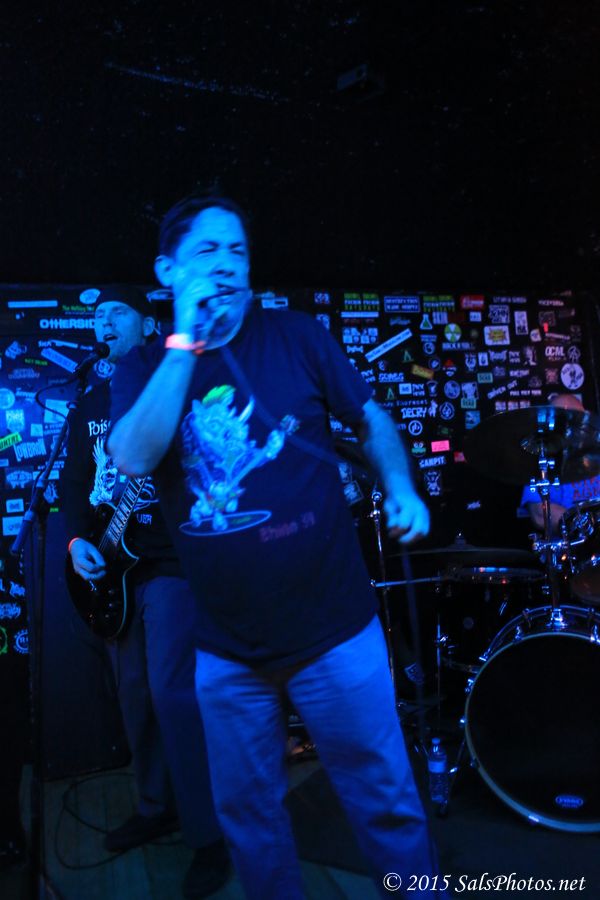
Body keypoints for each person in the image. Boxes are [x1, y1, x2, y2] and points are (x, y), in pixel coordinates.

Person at [107, 194, 443, 900]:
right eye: (207, 251)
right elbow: (134, 456)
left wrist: (400, 485)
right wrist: (185, 343)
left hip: (335, 633)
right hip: (226, 652)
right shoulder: (142, 366)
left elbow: (371, 417)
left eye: (238, 251)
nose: (227, 264)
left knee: (385, 804)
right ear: (168, 271)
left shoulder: (297, 336)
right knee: (250, 822)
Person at [61, 285, 228, 899]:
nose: (103, 322)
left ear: (149, 324)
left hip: (167, 563)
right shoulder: (87, 403)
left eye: (117, 312)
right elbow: (75, 481)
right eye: (97, 316)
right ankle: (155, 805)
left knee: (171, 690)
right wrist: (76, 541)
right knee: (133, 693)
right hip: (112, 567)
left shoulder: (171, 387)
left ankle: (208, 835)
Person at [520, 394, 600, 534]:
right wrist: (585, 527)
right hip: (570, 542)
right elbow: (539, 514)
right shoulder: (541, 460)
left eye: (575, 419)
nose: (568, 427)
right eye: (561, 420)